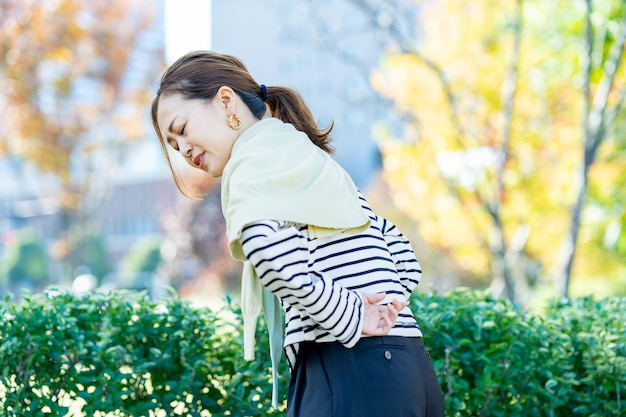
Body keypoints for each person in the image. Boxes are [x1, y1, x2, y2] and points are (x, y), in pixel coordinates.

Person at [150, 50, 444, 417]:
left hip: (348, 367)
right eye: (174, 147)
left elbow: (270, 255)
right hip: (409, 369)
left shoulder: (251, 161)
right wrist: (387, 308)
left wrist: (356, 315)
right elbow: (399, 248)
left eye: (181, 129)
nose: (184, 151)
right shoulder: (306, 156)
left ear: (226, 101)